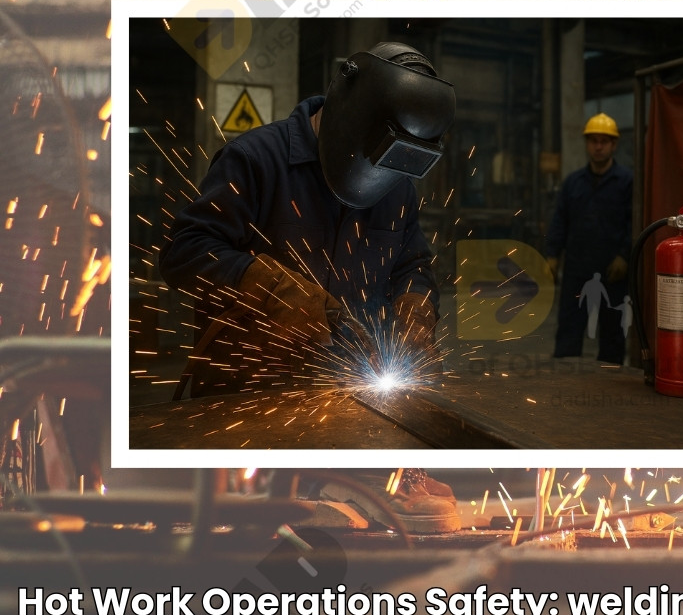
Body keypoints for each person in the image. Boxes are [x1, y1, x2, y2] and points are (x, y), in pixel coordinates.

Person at [158, 40, 459, 531]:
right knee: (256, 528)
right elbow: (183, 253)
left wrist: (415, 307)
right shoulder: (254, 159)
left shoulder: (398, 185)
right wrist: (269, 287)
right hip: (250, 397)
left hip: (350, 398)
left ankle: (365, 485)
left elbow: (414, 264)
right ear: (350, 116)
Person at [545, 113, 633, 364]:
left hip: (612, 273)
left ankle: (610, 380)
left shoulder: (626, 182)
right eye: (594, 141)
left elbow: (633, 223)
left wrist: (624, 256)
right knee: (568, 332)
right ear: (587, 144)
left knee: (612, 335)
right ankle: (565, 379)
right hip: (577, 271)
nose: (598, 146)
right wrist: (552, 254)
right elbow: (560, 221)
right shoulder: (573, 183)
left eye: (604, 141)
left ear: (614, 145)